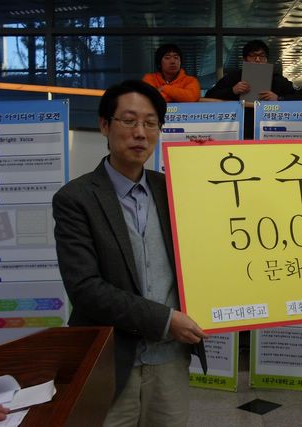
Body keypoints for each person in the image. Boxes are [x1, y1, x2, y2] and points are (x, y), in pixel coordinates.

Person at [52, 80, 207, 427]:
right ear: (104, 125)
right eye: (129, 120)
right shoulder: (75, 199)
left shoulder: (173, 189)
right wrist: (165, 320)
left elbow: (207, 249)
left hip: (169, 363)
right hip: (108, 362)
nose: (140, 133)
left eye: (150, 123)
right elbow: (85, 288)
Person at [205, 39, 302, 138]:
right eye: (253, 56)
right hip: (239, 131)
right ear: (244, 59)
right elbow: (209, 96)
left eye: (262, 56)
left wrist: (278, 99)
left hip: (271, 130)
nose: (258, 59)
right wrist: (232, 91)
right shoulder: (233, 77)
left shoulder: (277, 79)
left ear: (266, 59)